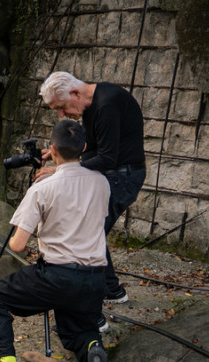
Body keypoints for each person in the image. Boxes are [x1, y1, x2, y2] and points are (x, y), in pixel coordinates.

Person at [0, 119, 110, 362]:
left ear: (52, 149)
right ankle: (93, 349)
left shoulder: (42, 189)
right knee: (78, 328)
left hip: (57, 276)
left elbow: (16, 245)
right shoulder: (102, 183)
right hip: (96, 278)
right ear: (84, 147)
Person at [36, 71, 146, 306]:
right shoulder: (91, 104)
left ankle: (99, 296)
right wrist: (58, 153)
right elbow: (92, 146)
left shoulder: (107, 105)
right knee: (90, 232)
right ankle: (110, 290)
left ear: (75, 93)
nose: (61, 114)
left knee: (88, 232)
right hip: (111, 173)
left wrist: (59, 170)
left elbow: (107, 158)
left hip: (122, 176)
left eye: (62, 107)